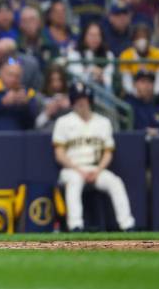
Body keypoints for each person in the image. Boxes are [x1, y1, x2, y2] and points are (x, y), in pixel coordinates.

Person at [53, 82, 136, 232]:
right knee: (74, 181)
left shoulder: (103, 122)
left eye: (84, 98)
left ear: (90, 99)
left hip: (96, 168)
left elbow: (108, 152)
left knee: (115, 182)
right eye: (77, 99)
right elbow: (59, 154)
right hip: (72, 168)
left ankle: (127, 225)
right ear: (72, 101)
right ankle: (75, 226)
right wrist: (78, 170)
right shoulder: (63, 122)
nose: (81, 102)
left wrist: (98, 170)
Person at [119, 24, 159, 96]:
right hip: (134, 95)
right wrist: (136, 94)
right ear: (133, 40)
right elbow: (127, 81)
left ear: (149, 39)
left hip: (153, 95)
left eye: (145, 37)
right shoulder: (125, 56)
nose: (142, 40)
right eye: (138, 37)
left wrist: (153, 93)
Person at [67, 21, 115, 90]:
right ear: (84, 36)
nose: (94, 38)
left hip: (102, 91)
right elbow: (77, 77)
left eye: (98, 35)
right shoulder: (74, 53)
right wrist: (91, 71)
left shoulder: (108, 55)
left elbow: (109, 81)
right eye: (91, 35)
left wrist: (101, 77)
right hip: (81, 91)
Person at [35, 65, 70, 130]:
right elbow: (36, 125)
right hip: (46, 134)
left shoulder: (71, 97)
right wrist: (47, 113)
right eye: (52, 80)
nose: (55, 84)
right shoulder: (39, 98)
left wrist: (70, 107)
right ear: (47, 81)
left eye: (59, 80)